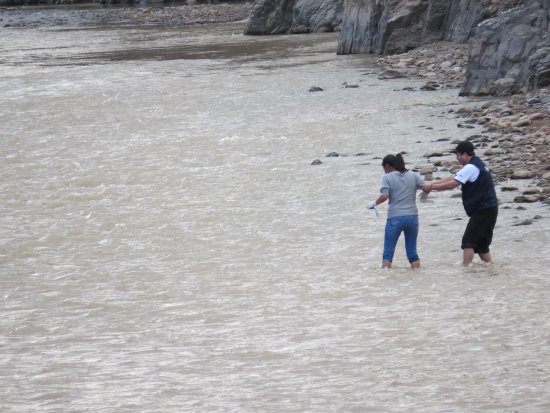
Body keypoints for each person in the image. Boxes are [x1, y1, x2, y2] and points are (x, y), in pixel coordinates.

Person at [421, 140, 498, 266]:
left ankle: (465, 269)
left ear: (465, 154)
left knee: (468, 242)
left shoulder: (471, 167)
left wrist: (431, 188)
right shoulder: (477, 164)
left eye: (458, 155)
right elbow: (453, 177)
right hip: (490, 209)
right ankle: (492, 269)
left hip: (482, 210)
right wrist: (431, 184)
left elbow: (453, 184)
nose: (457, 158)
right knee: (482, 246)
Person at [367, 153, 429, 269]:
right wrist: (424, 197)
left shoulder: (387, 177)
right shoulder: (413, 175)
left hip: (395, 218)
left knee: (388, 253)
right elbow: (426, 187)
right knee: (412, 252)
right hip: (412, 217)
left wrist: (374, 203)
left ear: (387, 166)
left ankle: (385, 281)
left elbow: (384, 196)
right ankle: (417, 277)